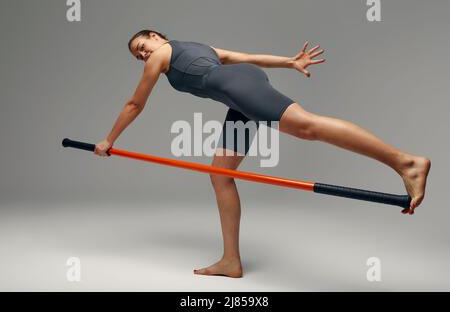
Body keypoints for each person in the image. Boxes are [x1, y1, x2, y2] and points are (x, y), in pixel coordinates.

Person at [94, 29, 431, 278]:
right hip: (236, 89)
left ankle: (405, 162)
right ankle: (230, 260)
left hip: (234, 87)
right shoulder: (197, 48)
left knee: (307, 127)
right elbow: (244, 59)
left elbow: (135, 103)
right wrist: (288, 62)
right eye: (138, 55)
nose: (142, 56)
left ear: (155, 37)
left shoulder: (161, 55)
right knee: (221, 174)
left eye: (141, 47)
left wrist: (108, 140)